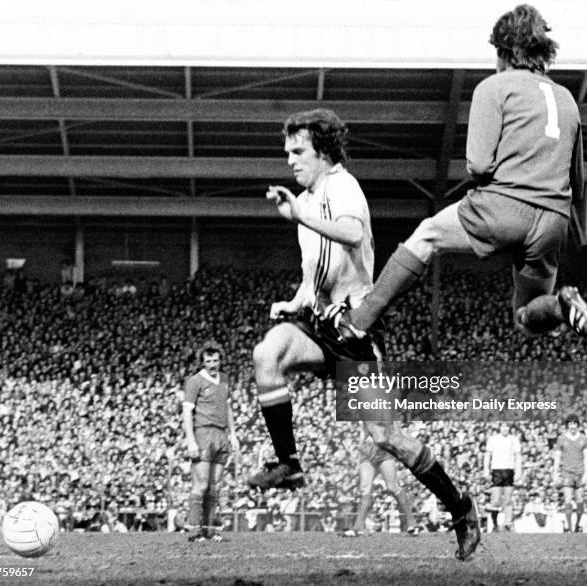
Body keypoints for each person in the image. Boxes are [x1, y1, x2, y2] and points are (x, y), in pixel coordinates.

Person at [248, 108, 479, 560]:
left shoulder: (342, 186)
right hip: (320, 324)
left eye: (299, 152)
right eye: (287, 152)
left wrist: (299, 216)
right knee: (267, 353)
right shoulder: (309, 199)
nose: (291, 160)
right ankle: (289, 465)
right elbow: (318, 269)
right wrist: (295, 302)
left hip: (355, 331)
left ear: (324, 152)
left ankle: (460, 506)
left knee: (386, 437)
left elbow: (352, 235)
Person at [324, 4, 586, 340]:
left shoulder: (493, 87)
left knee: (427, 234)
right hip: (553, 221)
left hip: (503, 207)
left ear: (503, 51)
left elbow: (478, 164)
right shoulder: (566, 99)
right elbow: (578, 187)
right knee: (527, 318)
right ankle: (562, 308)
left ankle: (358, 322)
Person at [183, 342, 239, 542]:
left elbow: (228, 407)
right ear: (202, 362)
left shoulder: (224, 379)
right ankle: (194, 530)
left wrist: (233, 434)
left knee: (215, 485)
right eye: (208, 361)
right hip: (203, 434)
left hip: (221, 434)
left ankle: (210, 529)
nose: (213, 364)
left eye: (216, 360)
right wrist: (190, 440)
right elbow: (187, 412)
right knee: (201, 484)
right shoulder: (194, 382)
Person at [343, 427, 421, 536]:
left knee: (393, 487)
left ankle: (412, 523)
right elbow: (363, 429)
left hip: (383, 450)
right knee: (365, 489)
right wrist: (360, 445)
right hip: (367, 450)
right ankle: (358, 527)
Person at [483, 422, 522, 532]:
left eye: (507, 426)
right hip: (497, 471)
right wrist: (486, 469)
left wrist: (519, 471)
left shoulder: (514, 439)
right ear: (500, 427)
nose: (505, 428)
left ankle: (508, 523)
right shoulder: (493, 439)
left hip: (509, 470)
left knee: (508, 499)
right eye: (503, 426)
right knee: (495, 501)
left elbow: (518, 456)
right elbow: (487, 455)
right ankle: (495, 524)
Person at [553, 414, 587, 532]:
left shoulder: (583, 438)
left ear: (578, 425)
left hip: (580, 473)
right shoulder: (561, 439)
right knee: (567, 501)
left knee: (580, 502)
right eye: (570, 424)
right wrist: (555, 472)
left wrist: (586, 474)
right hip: (567, 472)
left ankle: (577, 524)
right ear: (567, 425)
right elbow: (557, 457)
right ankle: (569, 527)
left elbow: (586, 457)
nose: (572, 426)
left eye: (575, 424)